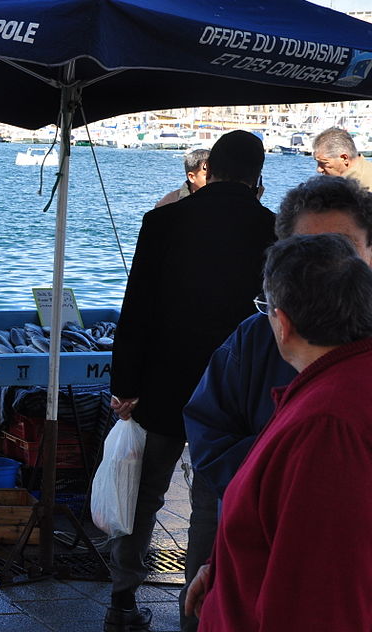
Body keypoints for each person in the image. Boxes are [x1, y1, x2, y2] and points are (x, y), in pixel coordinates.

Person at [105, 130, 275, 632]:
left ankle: (121, 600)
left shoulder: (162, 221)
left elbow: (135, 309)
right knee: (210, 500)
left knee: (143, 491)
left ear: (212, 168)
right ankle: (194, 613)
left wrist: (126, 383)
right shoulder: (273, 230)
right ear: (257, 175)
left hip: (162, 379)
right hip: (234, 390)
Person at [185, 233, 372, 631]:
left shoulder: (327, 424)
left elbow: (316, 594)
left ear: (282, 323)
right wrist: (220, 566)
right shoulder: (332, 390)